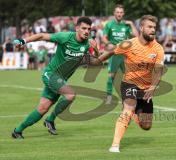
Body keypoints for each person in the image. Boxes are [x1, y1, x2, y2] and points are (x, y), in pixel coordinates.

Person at [11, 17, 99, 139]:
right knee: (70, 95)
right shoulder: (65, 37)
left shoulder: (88, 43)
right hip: (51, 74)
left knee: (42, 108)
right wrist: (23, 41)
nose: (86, 31)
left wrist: (96, 50)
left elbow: (95, 62)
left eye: (89, 29)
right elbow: (42, 36)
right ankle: (50, 120)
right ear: (77, 28)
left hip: (61, 80)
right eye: (84, 28)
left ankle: (17, 131)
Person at [97, 15, 165, 153]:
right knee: (128, 109)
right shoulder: (128, 44)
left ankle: (134, 114)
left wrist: (152, 87)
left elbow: (158, 71)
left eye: (154, 28)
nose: (153, 30)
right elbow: (110, 52)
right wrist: (96, 61)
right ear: (141, 28)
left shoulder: (158, 48)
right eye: (150, 27)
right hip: (129, 84)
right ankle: (115, 145)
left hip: (146, 89)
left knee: (146, 126)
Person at [102, 4, 138, 104]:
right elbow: (104, 37)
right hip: (114, 53)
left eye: (121, 12)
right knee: (111, 76)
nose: (119, 14)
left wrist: (131, 24)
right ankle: (109, 97)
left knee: (128, 77)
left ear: (123, 14)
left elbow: (136, 35)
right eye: (117, 12)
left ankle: (127, 97)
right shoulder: (109, 24)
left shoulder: (126, 25)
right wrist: (108, 44)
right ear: (114, 13)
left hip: (125, 54)